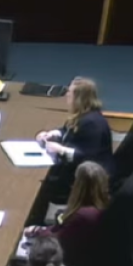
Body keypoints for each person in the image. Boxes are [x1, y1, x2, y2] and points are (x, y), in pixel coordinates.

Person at [26, 161, 108, 266]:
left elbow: (56, 242)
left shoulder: (84, 216)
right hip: (82, 259)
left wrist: (37, 231)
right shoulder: (101, 206)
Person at [36, 77, 114, 208]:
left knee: (45, 185)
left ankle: (38, 218)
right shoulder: (83, 114)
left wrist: (60, 149)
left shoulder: (92, 123)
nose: (66, 94)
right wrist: (55, 133)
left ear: (79, 98)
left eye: (70, 92)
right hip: (80, 167)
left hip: (91, 177)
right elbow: (69, 130)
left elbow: (87, 157)